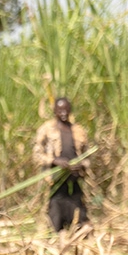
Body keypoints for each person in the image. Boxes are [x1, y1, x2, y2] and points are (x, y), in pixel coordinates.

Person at [33, 97, 90, 232]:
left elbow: (87, 156)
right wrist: (55, 161)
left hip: (74, 179)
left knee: (77, 208)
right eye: (60, 110)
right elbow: (36, 154)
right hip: (55, 180)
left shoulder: (78, 130)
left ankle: (78, 232)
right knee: (56, 208)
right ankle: (56, 235)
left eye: (66, 109)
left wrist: (81, 165)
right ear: (55, 111)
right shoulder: (46, 130)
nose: (63, 113)